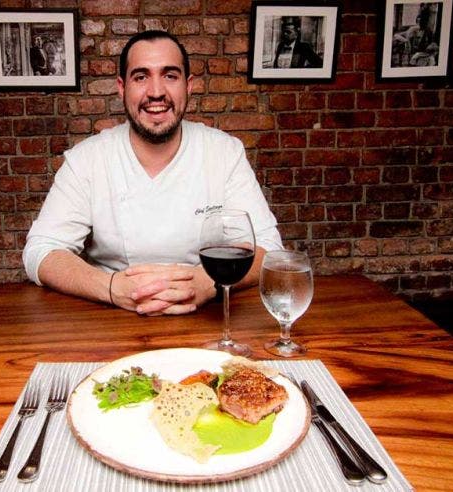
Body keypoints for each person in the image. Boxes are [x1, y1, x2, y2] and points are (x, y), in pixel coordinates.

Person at [23, 30, 282, 316]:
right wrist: (111, 288)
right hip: (111, 317)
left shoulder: (223, 152)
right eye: (141, 76)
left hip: (207, 316)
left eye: (170, 76)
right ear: (122, 87)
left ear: (189, 85)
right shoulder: (87, 158)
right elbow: (41, 251)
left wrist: (209, 283)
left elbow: (268, 248)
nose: (156, 92)